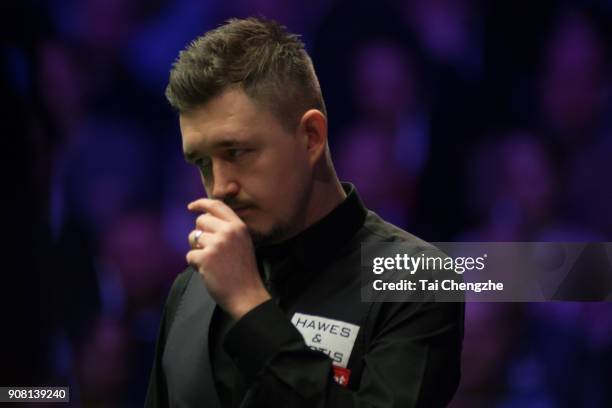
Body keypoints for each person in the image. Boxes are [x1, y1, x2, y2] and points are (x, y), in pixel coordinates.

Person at [145, 17, 464, 408]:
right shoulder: (190, 289)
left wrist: (249, 306)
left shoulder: (415, 280)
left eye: (237, 152)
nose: (219, 186)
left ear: (311, 137)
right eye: (202, 162)